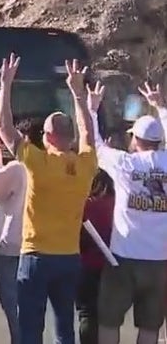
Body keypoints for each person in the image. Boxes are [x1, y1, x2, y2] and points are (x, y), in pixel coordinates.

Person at [0, 55, 97, 344]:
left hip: (36, 256)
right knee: (65, 329)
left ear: (48, 137)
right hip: (69, 257)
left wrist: (5, 84)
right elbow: (88, 132)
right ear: (68, 137)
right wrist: (78, 94)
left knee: (30, 329)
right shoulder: (86, 165)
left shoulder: (38, 163)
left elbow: (4, 126)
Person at [88, 81, 167, 344]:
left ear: (136, 139)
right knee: (150, 327)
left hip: (122, 257)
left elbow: (96, 146)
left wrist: (91, 109)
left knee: (109, 322)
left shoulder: (125, 164)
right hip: (159, 259)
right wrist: (160, 107)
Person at [0, 119, 37, 344]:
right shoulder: (50, 164)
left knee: (13, 305)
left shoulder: (18, 167)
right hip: (40, 245)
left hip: (12, 245)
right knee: (33, 307)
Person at [76, 170, 115, 344]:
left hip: (86, 264)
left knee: (87, 314)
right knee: (108, 318)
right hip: (113, 266)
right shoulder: (118, 206)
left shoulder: (85, 206)